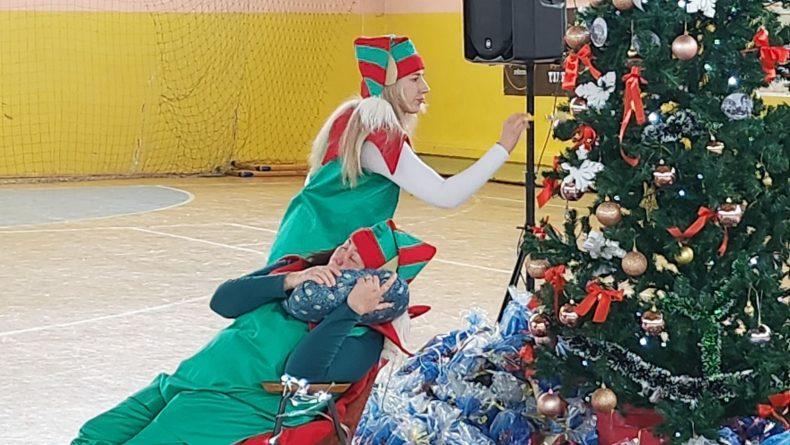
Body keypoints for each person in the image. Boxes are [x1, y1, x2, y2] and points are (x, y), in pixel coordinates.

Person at [73, 221, 435, 445]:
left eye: (354, 258)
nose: (341, 255)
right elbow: (223, 302)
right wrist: (289, 280)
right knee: (94, 436)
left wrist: (349, 309)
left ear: (374, 280)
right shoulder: (298, 271)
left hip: (238, 404)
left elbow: (302, 375)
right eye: (346, 245)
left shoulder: (365, 335)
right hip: (187, 380)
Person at [267, 34, 531, 264]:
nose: (425, 87)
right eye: (415, 79)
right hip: (316, 258)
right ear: (391, 84)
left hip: (297, 243)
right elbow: (445, 195)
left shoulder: (351, 120)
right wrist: (503, 147)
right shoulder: (378, 132)